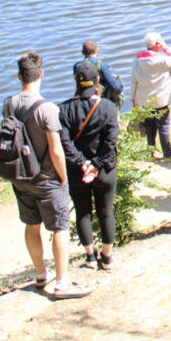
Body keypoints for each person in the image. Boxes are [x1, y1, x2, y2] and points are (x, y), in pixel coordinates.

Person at [3, 52, 88, 298]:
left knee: (31, 224)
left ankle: (40, 274)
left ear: (19, 76)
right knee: (60, 227)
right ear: (42, 74)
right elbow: (56, 150)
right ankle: (62, 282)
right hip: (48, 178)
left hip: (20, 176)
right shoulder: (48, 109)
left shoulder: (8, 104)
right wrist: (63, 178)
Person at [59, 60, 120, 270]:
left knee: (83, 212)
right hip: (104, 170)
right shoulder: (108, 107)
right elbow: (110, 142)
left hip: (78, 172)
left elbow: (65, 143)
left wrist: (83, 163)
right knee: (106, 212)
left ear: (76, 81)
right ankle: (108, 256)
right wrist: (95, 164)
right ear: (97, 81)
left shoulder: (63, 109)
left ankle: (90, 257)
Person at [131, 32, 171, 162]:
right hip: (161, 99)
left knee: (149, 126)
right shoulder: (162, 60)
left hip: (144, 99)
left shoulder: (137, 60)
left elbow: (133, 80)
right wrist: (165, 47)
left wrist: (133, 98)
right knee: (163, 126)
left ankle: (150, 152)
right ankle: (167, 153)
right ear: (157, 43)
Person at [73, 40, 124, 107]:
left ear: (82, 52)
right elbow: (117, 87)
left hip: (81, 96)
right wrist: (117, 79)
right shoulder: (102, 65)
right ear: (97, 51)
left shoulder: (77, 66)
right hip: (99, 99)